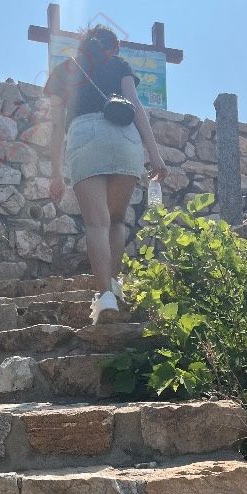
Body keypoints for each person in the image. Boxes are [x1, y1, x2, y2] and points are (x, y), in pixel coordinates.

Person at [43, 24, 167, 324]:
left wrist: (56, 173)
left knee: (96, 223)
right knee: (116, 220)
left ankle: (105, 298)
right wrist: (155, 155)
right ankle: (114, 284)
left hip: (85, 136)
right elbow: (135, 105)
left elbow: (57, 126)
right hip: (124, 138)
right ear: (112, 48)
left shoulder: (64, 70)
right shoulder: (120, 65)